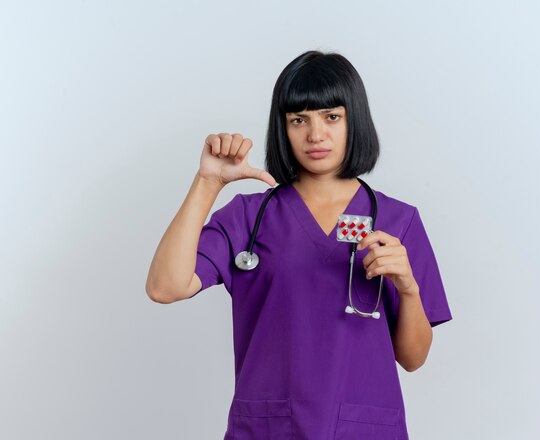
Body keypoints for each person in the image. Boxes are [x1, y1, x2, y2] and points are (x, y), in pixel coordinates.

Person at [146, 50, 453, 440]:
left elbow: (413, 358)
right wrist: (207, 183)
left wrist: (408, 288)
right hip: (270, 429)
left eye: (332, 117)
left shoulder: (398, 221)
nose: (315, 135)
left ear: (353, 120)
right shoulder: (248, 217)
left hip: (363, 430)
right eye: (298, 119)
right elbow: (165, 286)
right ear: (283, 128)